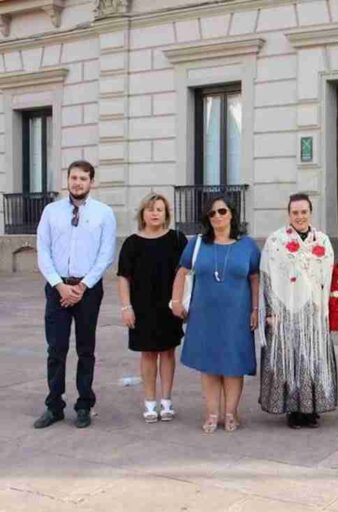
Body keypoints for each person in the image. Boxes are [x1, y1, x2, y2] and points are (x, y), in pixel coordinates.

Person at [34, 160, 116, 429]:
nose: (77, 182)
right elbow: (43, 252)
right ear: (67, 180)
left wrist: (81, 287)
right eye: (73, 178)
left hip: (88, 290)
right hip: (57, 287)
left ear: (92, 182)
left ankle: (84, 405)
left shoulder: (104, 213)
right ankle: (54, 405)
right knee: (56, 348)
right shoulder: (51, 211)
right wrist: (60, 286)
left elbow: (106, 255)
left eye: (83, 178)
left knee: (85, 349)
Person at [170, 196, 260, 433]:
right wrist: (176, 301)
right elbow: (182, 271)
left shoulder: (248, 245)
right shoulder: (198, 243)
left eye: (222, 211)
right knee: (209, 365)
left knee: (233, 364)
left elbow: (255, 277)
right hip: (204, 314)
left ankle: (230, 413)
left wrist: (256, 309)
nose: (217, 216)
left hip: (237, 315)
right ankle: (212, 413)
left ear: (231, 214)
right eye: (212, 214)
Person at [259, 193, 337, 429]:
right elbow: (268, 275)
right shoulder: (276, 241)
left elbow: (328, 273)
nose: (300, 217)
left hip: (313, 310)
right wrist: (271, 310)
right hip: (286, 311)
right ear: (289, 214)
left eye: (304, 212)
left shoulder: (322, 240)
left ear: (310, 213)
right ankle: (293, 409)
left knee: (312, 357)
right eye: (295, 213)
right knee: (290, 359)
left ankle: (311, 408)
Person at [117, 193, 187, 423]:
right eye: (150, 209)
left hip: (170, 306)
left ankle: (166, 401)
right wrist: (126, 307)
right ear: (142, 214)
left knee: (168, 351)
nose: (155, 213)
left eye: (159, 209)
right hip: (142, 306)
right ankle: (149, 402)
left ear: (166, 213)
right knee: (147, 353)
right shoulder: (131, 243)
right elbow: (123, 277)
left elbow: (186, 274)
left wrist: (184, 303)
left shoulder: (177, 240)